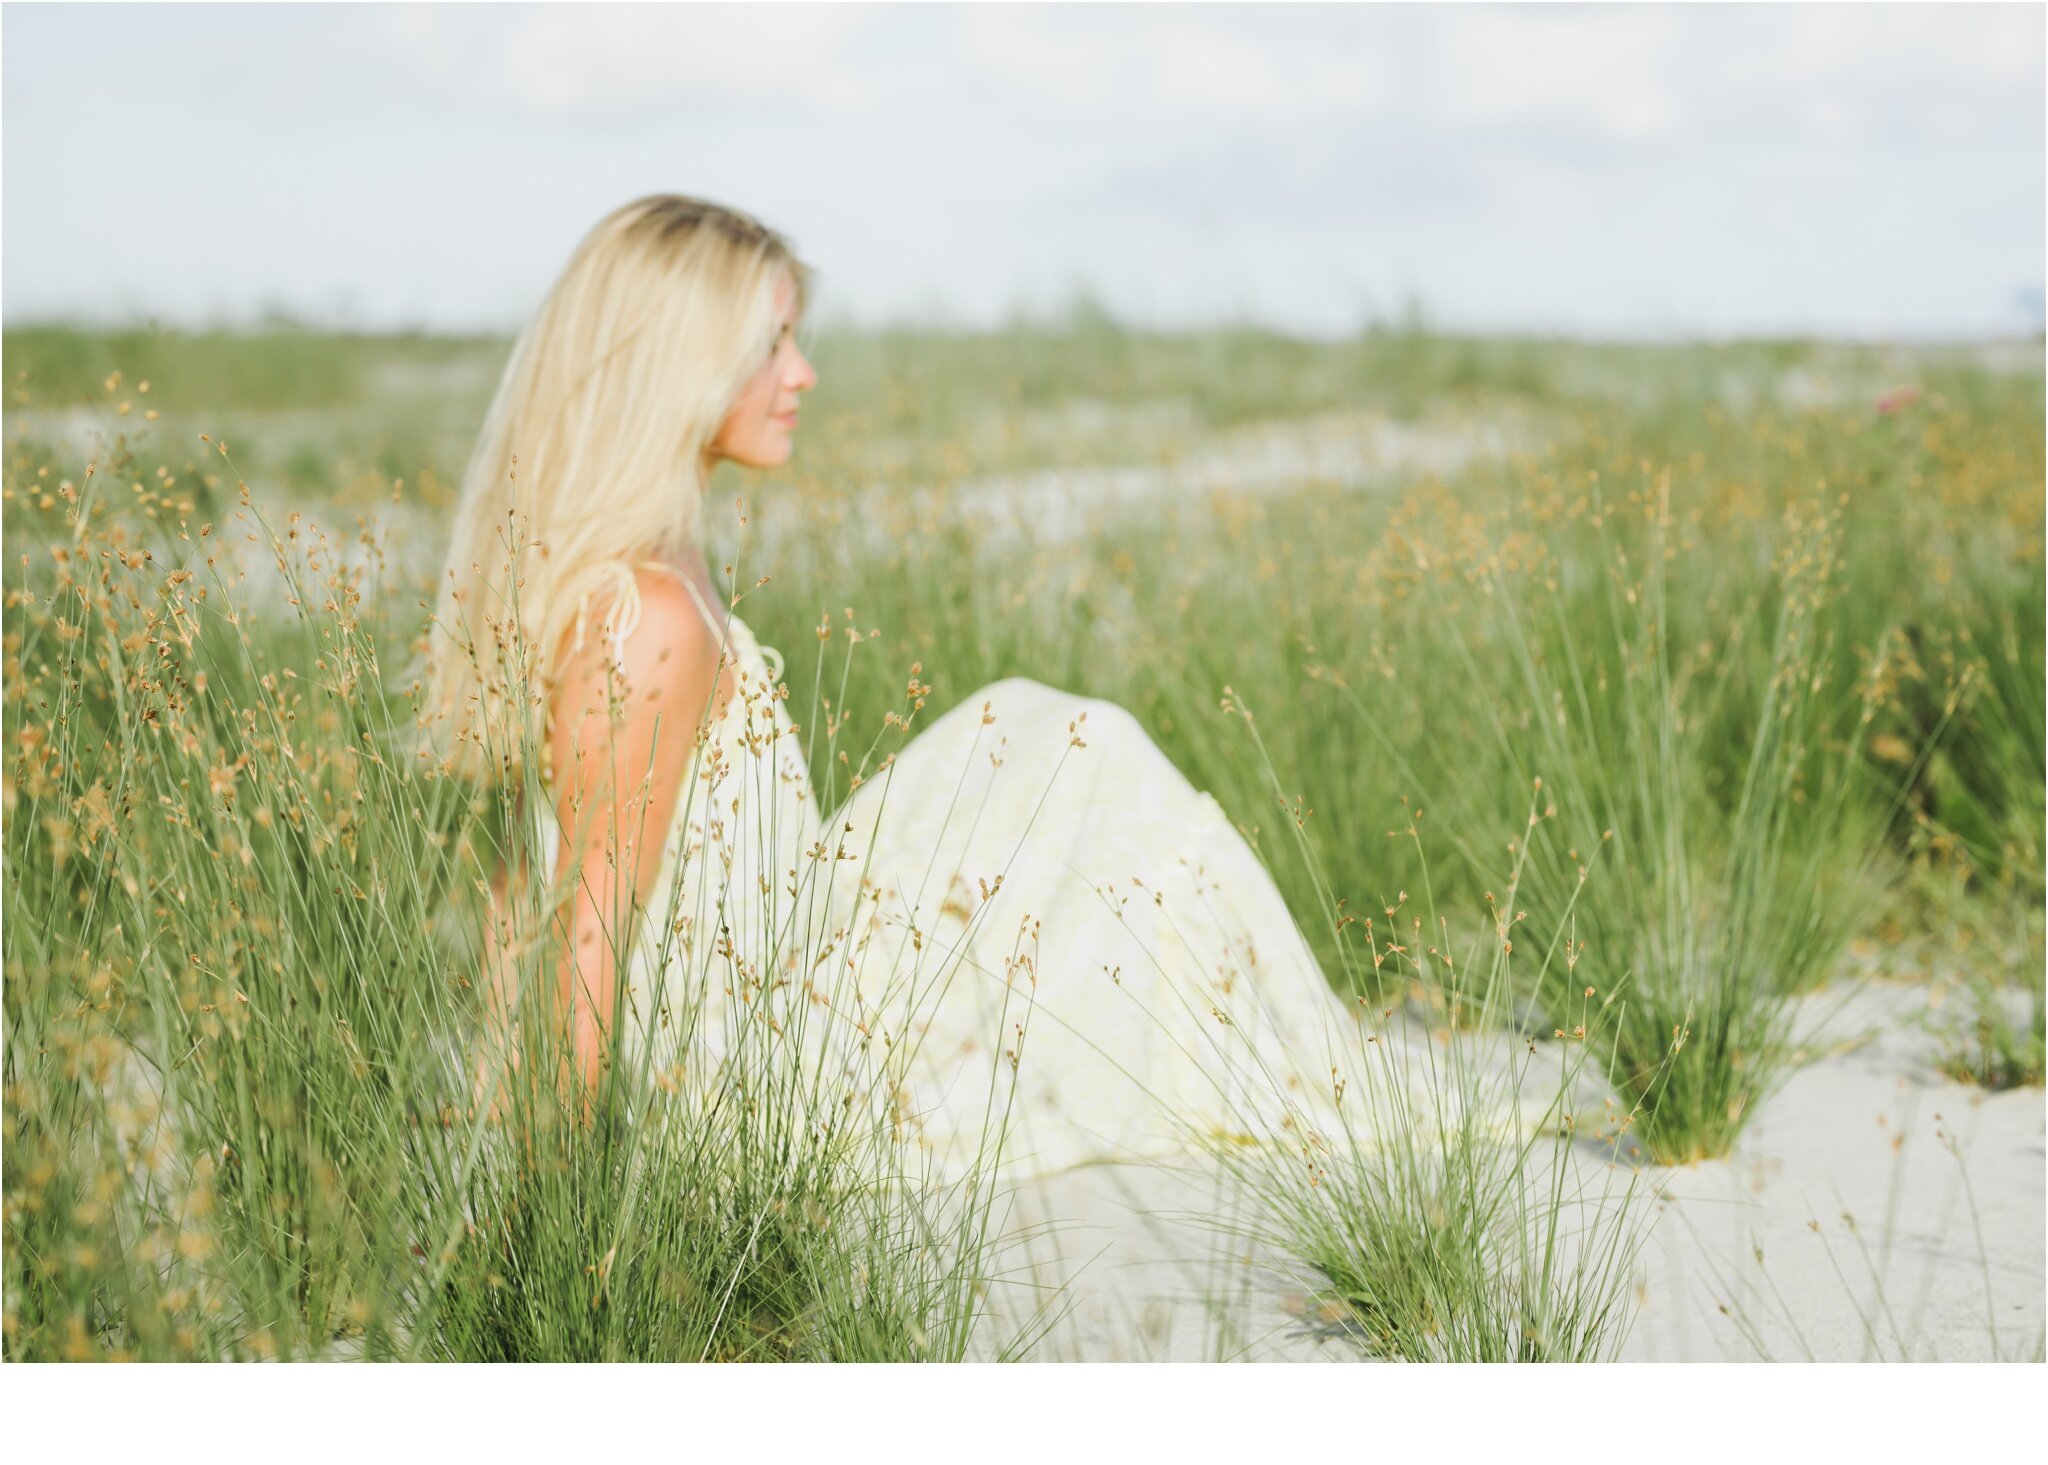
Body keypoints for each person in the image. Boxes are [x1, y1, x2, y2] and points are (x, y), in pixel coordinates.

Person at [420, 194, 1356, 1185]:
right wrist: (544, 1190)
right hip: (739, 1073)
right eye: (769, 345)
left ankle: (1287, 1054)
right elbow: (579, 917)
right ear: (680, 369)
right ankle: (1304, 1070)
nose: (801, 374)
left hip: (766, 975)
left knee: (1068, 746)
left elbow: (533, 877)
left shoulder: (661, 561)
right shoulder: (643, 615)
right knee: (1090, 780)